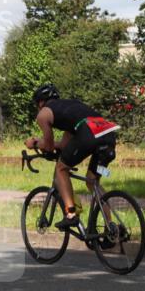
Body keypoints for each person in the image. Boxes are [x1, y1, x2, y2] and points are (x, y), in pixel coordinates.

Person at [24, 83, 119, 230]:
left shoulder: (43, 114)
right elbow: (63, 144)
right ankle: (111, 227)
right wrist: (46, 144)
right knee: (92, 181)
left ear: (41, 102)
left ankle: (71, 214)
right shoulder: (71, 109)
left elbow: (49, 147)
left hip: (88, 133)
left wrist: (35, 143)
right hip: (107, 133)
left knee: (61, 168)